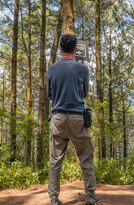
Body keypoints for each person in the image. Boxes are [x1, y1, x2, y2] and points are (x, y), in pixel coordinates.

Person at [47, 34, 100, 205]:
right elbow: (85, 93)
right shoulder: (83, 69)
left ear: (60, 49)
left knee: (55, 160)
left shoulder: (52, 69)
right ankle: (90, 195)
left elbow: (49, 94)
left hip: (58, 118)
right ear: (76, 49)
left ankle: (54, 198)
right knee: (86, 156)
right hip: (78, 118)